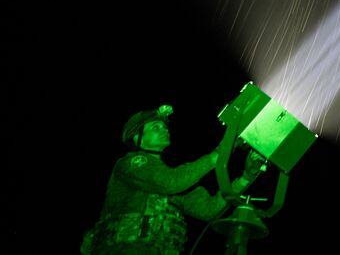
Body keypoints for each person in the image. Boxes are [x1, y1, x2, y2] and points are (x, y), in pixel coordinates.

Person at [81, 104, 266, 254]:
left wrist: (246, 176)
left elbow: (208, 209)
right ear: (137, 137)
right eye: (156, 127)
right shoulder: (131, 164)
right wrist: (218, 154)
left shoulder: (173, 177)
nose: (164, 130)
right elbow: (170, 182)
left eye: (164, 127)